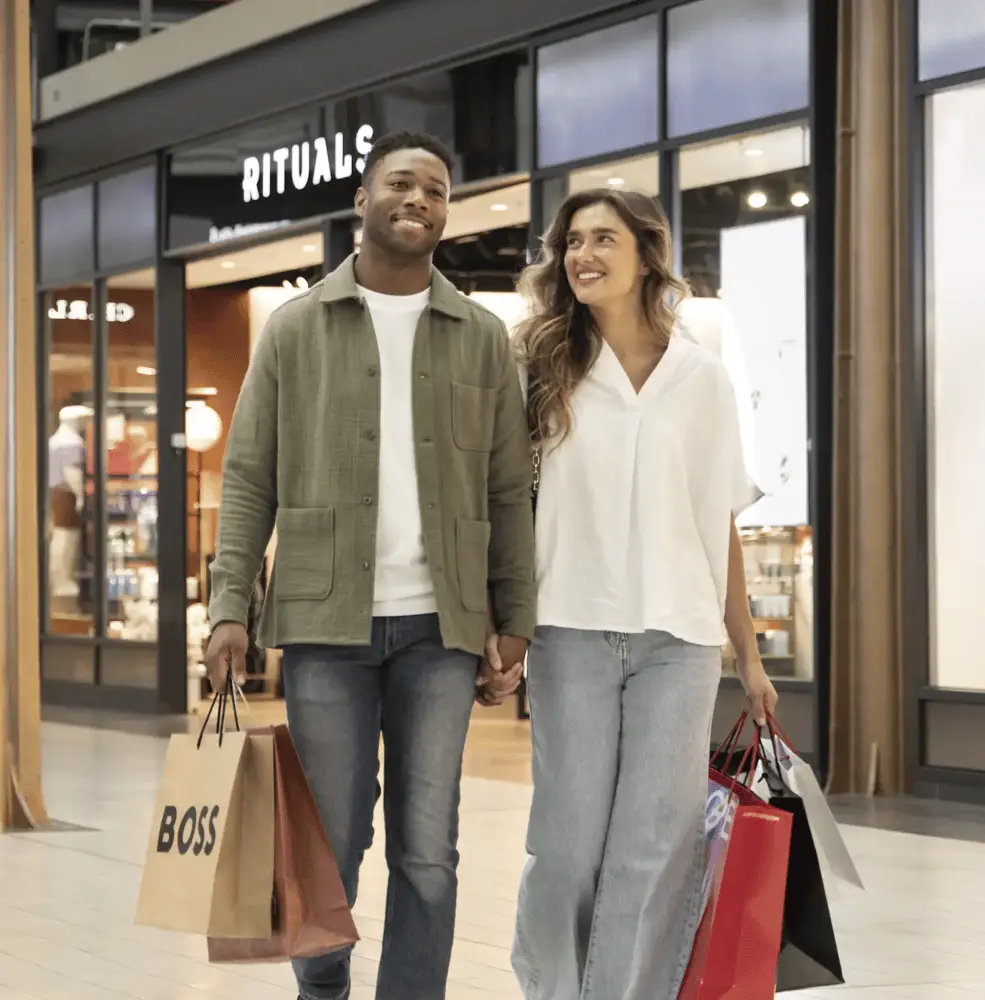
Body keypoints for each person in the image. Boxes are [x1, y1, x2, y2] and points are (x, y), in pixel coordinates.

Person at [205, 130, 536, 1000]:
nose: (418, 199)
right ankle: (323, 986)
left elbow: (509, 491)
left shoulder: (479, 337)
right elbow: (246, 479)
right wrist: (227, 607)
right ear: (361, 200)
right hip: (322, 621)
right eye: (400, 183)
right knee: (331, 838)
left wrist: (514, 622)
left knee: (428, 848)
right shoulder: (295, 329)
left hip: (441, 627)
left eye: (436, 189)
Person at [488, 189, 779, 1000]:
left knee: (653, 849)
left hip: (677, 643)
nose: (581, 254)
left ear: (646, 254)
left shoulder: (701, 377)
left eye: (602, 239)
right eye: (571, 241)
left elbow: (714, 520)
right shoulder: (539, 366)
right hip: (569, 633)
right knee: (568, 846)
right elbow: (505, 507)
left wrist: (748, 657)